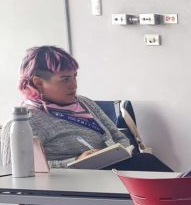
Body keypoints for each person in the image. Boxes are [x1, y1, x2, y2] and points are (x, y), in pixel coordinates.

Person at [15, 46, 172, 171]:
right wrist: (75, 161)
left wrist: (117, 153)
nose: (74, 85)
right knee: (145, 163)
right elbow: (17, 170)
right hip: (73, 184)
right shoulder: (27, 120)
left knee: (145, 166)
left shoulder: (84, 102)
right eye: (65, 79)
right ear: (38, 83)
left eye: (75, 76)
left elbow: (120, 137)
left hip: (110, 172)